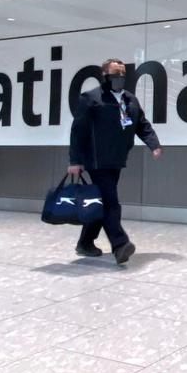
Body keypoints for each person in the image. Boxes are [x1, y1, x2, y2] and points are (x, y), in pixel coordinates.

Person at [68, 58, 161, 264]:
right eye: (114, 74)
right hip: (96, 160)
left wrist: (153, 144)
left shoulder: (130, 99)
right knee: (111, 202)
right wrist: (75, 160)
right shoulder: (91, 98)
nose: (119, 77)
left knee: (101, 203)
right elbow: (78, 131)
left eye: (122, 74)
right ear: (105, 76)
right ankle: (120, 245)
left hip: (116, 159)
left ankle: (85, 243)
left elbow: (141, 124)